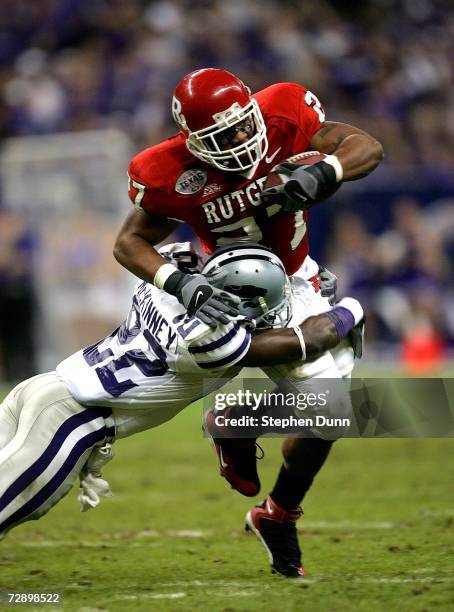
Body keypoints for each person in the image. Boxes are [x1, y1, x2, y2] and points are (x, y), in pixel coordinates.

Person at [113, 68, 380, 577]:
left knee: (332, 413)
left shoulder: (282, 112)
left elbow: (366, 147)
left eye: (243, 125)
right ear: (192, 140)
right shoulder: (167, 170)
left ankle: (274, 508)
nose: (240, 140)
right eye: (223, 135)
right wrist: (180, 283)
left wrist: (326, 172)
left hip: (295, 278)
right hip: (220, 288)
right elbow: (129, 241)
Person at [0, 243, 363, 547]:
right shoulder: (212, 341)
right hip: (70, 422)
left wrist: (301, 280)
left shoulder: (174, 260)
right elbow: (310, 340)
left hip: (42, 386)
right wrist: (352, 308)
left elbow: (195, 255)